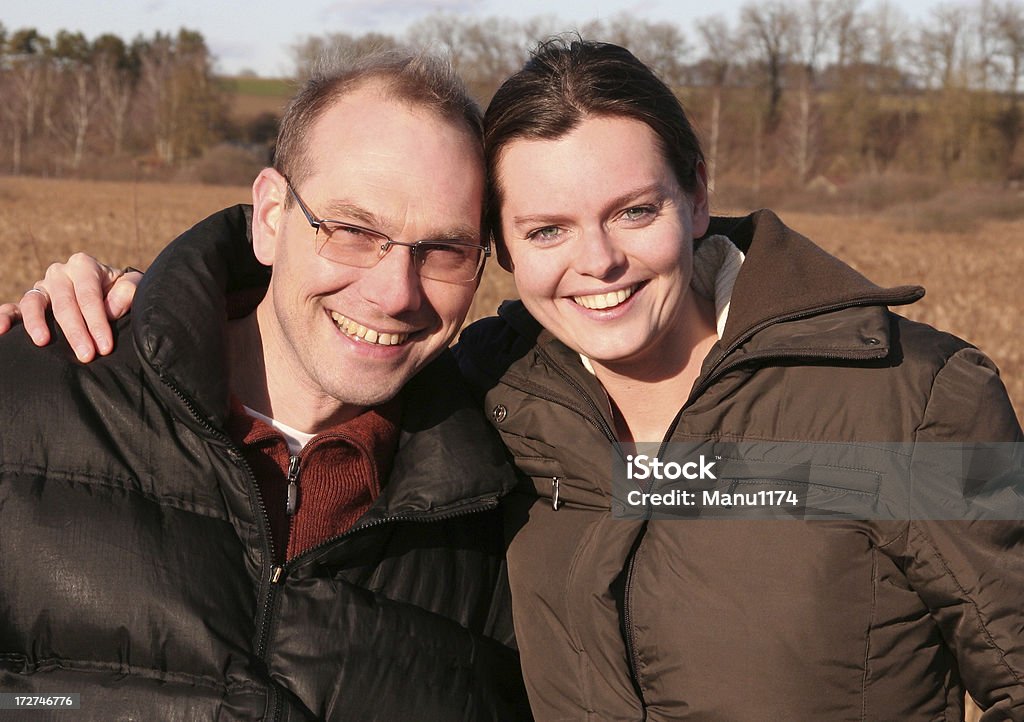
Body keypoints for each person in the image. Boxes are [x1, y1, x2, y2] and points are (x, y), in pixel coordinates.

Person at [6, 39, 1023, 721]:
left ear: (698, 194)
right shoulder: (506, 402)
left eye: (633, 210)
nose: (598, 262)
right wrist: (140, 310)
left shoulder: (910, 408)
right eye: (543, 230)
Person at [0, 49, 532, 720]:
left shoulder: (504, 514)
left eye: (444, 251)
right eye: (352, 230)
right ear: (271, 216)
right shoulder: (32, 402)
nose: (395, 292)